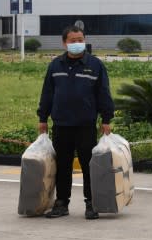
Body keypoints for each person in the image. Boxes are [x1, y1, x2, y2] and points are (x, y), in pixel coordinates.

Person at [37, 25, 115, 220]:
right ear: (64, 43)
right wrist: (42, 118)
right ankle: (62, 203)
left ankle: (91, 203)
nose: (77, 44)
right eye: (73, 41)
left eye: (80, 40)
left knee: (89, 165)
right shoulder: (55, 66)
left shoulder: (95, 65)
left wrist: (106, 119)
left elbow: (103, 93)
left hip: (85, 125)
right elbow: (47, 93)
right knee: (63, 166)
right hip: (61, 125)